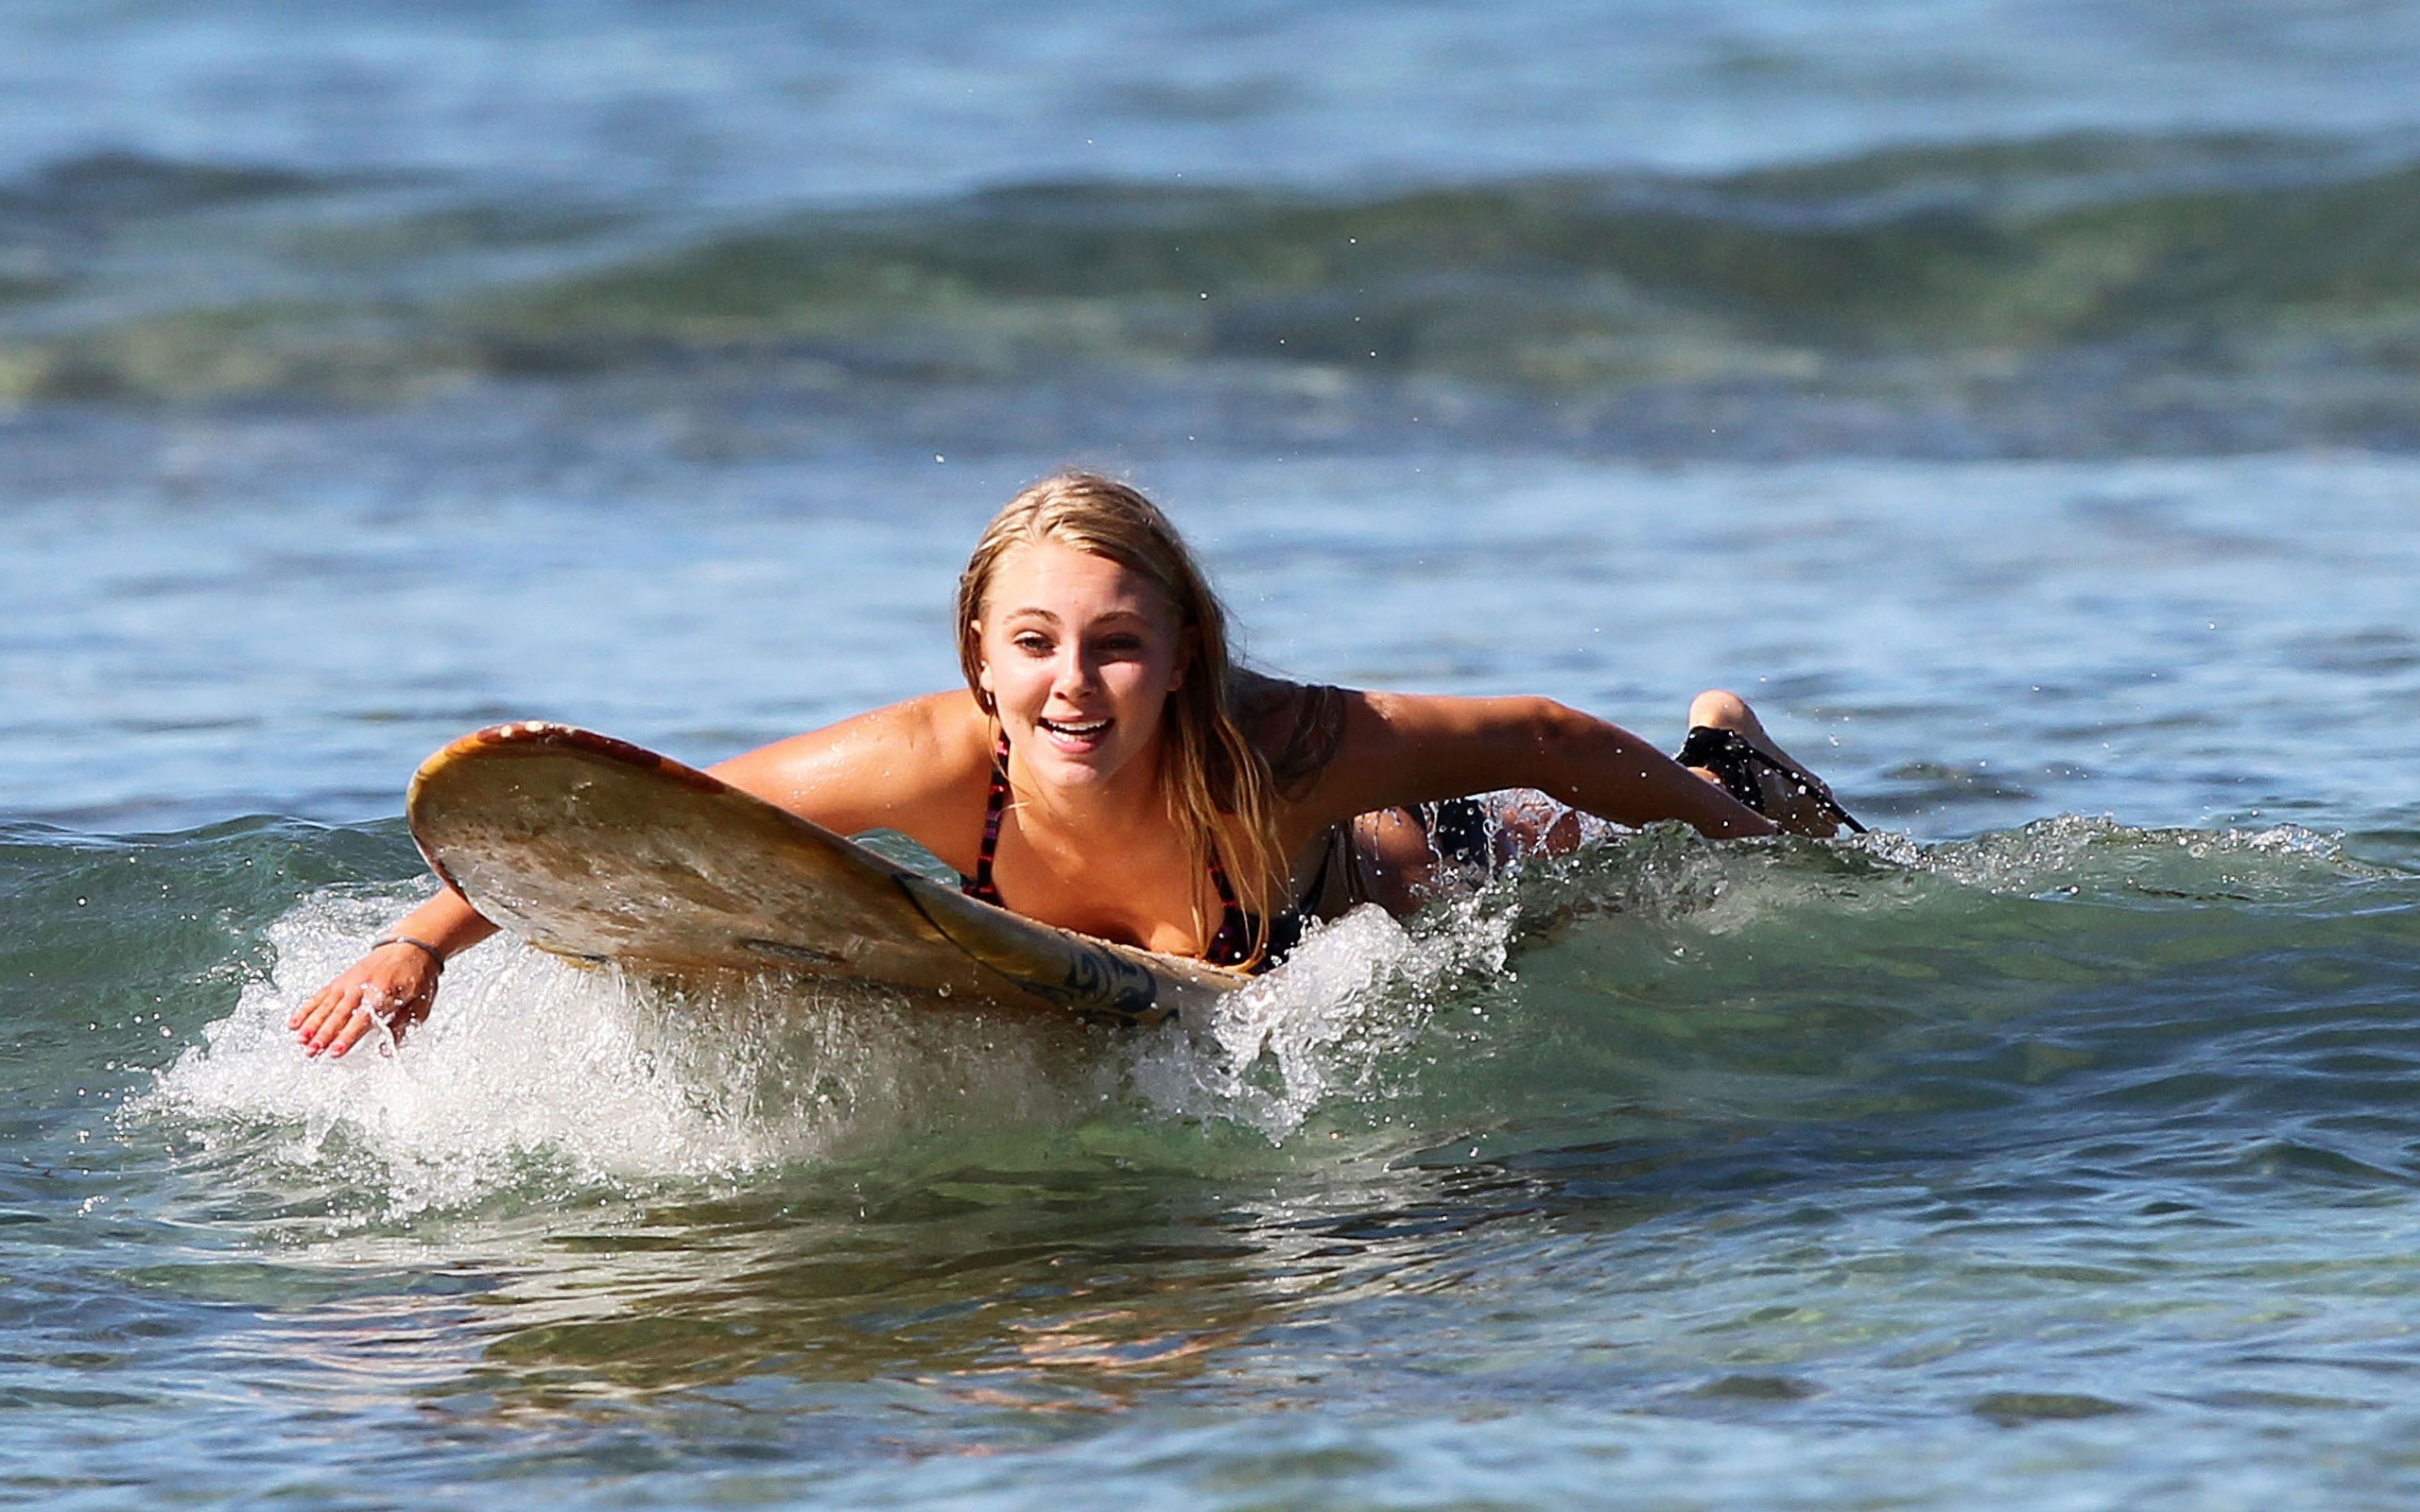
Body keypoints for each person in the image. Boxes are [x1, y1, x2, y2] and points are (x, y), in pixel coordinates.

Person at [292, 472, 1858, 1057]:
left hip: (1414, 875)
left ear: (1184, 651)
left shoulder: (1288, 738)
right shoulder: (929, 760)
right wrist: (414, 945)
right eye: (1033, 643)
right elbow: (633, 825)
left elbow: (1546, 738)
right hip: (1189, 966)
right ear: (980, 653)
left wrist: (1723, 825)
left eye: (1116, 642)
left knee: (1595, 895)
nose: (1074, 682)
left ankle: (1738, 749)